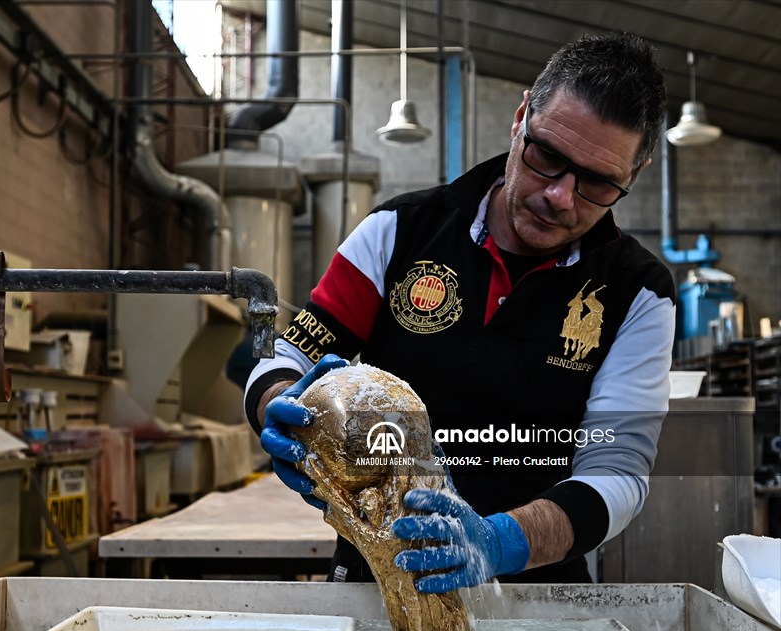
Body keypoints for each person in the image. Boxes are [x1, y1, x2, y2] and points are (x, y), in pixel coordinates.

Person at [243, 32, 675, 593]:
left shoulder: (638, 293)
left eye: (596, 183)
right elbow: (287, 355)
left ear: (631, 178)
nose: (561, 197)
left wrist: (498, 542)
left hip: (538, 589)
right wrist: (281, 405)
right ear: (521, 118)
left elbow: (618, 473)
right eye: (548, 157)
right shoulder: (397, 233)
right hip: (377, 575)